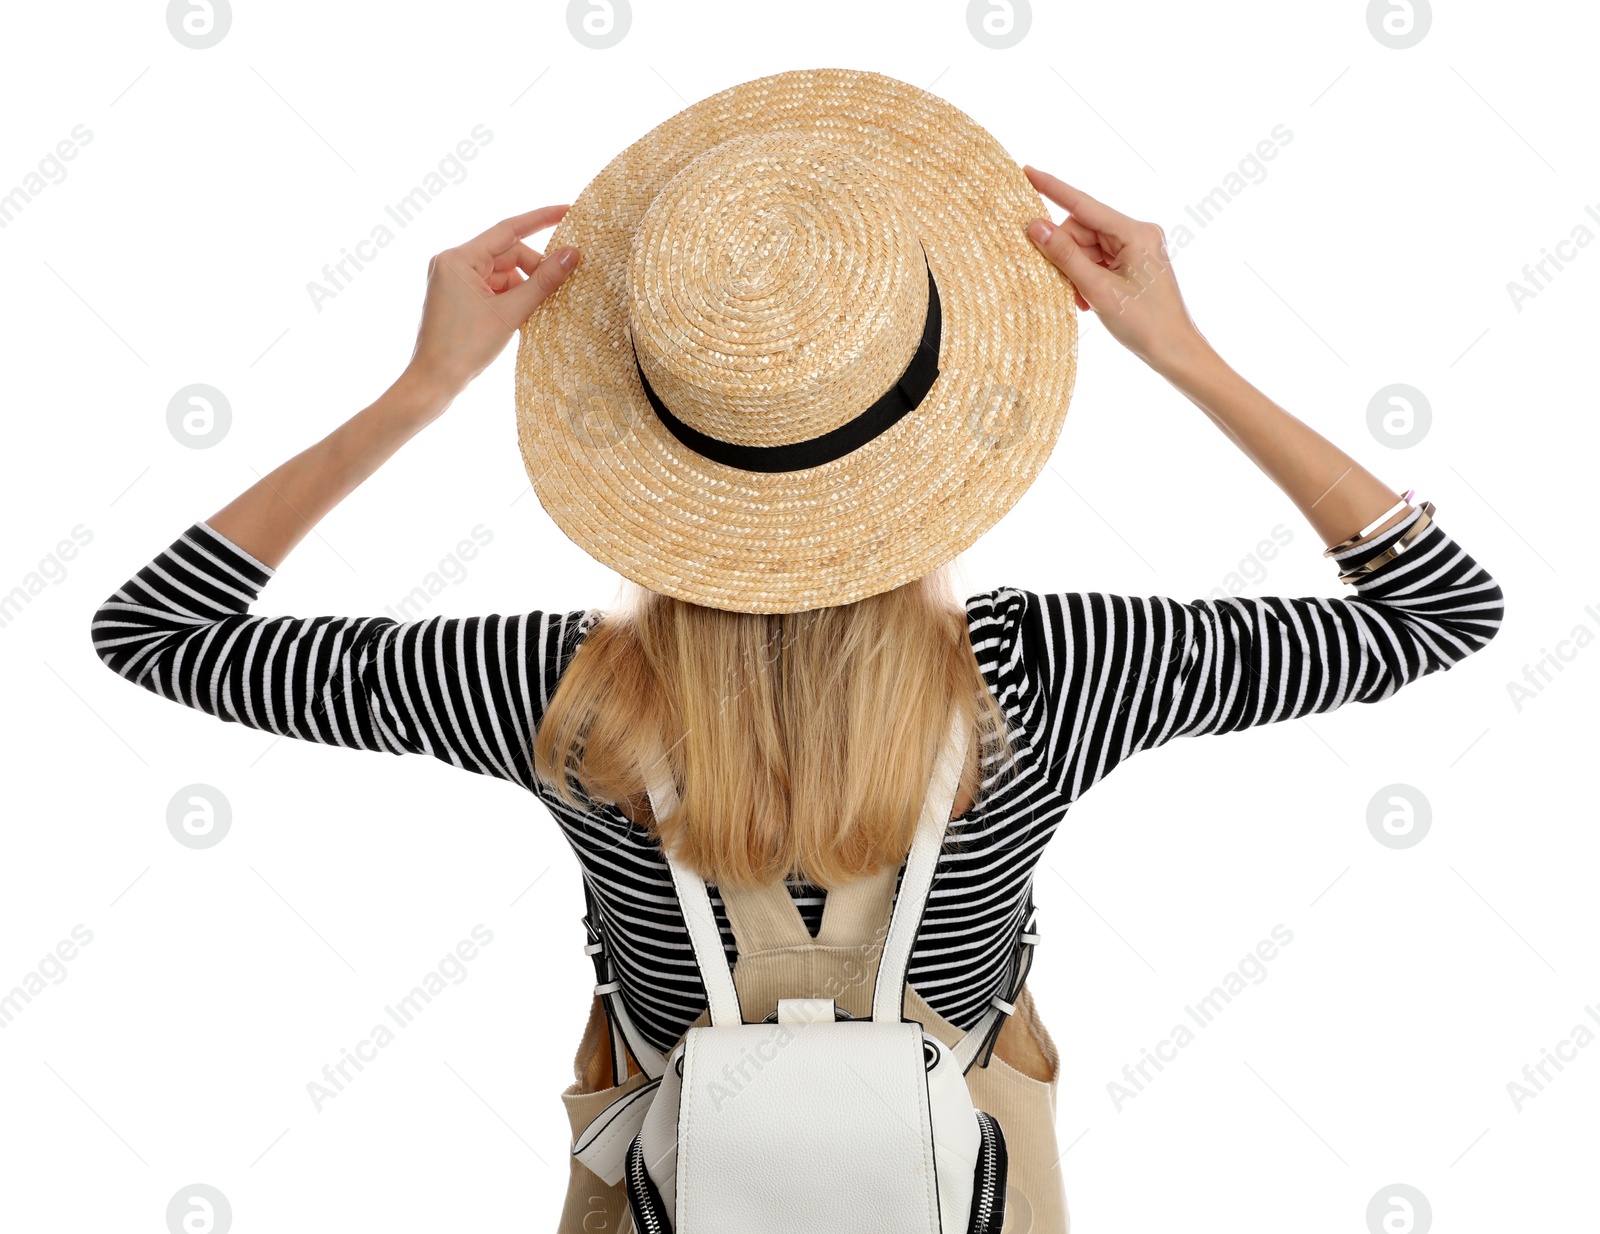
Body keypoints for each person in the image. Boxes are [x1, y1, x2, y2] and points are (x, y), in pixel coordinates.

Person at [90, 71, 1502, 1234]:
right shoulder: (1056, 671)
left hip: (669, 1193)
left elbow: (157, 630)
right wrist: (1185, 352)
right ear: (944, 427)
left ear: (654, 433)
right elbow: (1437, 605)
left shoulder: (554, 694)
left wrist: (424, 388)